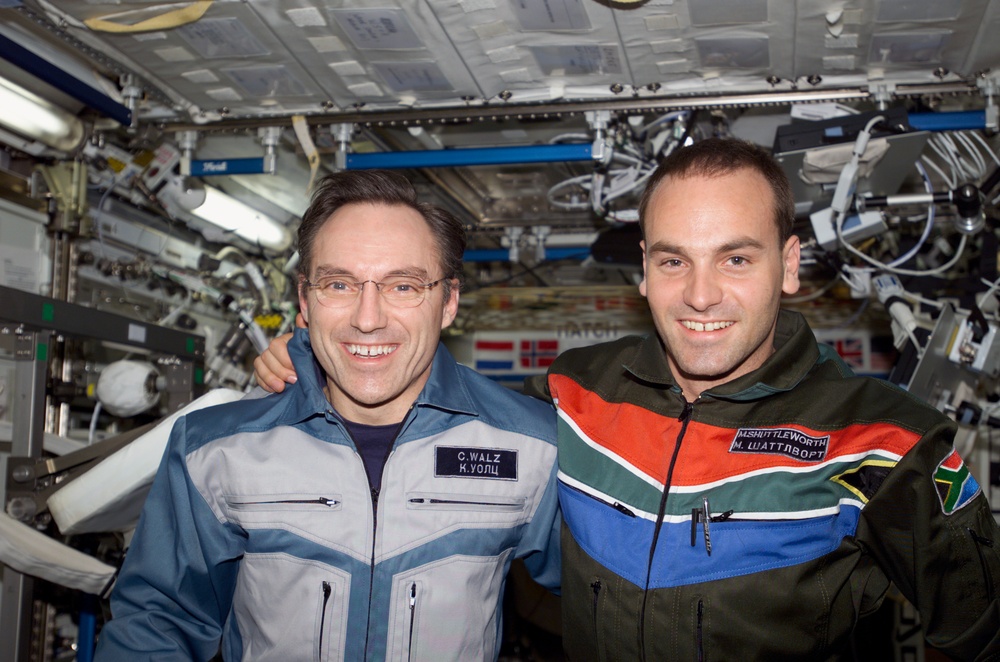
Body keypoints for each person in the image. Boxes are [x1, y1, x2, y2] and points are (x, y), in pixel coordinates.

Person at [254, 140, 1000, 660]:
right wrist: (310, 358)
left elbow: (979, 632)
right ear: (643, 271)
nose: (701, 295)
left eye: (735, 258)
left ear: (789, 266)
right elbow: (435, 397)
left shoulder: (891, 442)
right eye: (674, 260)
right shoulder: (577, 392)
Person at [96, 170, 561, 661]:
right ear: (305, 300)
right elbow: (156, 623)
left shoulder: (530, 444)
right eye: (339, 284)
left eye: (403, 286)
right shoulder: (216, 449)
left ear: (447, 302)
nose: (367, 317)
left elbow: (612, 602)